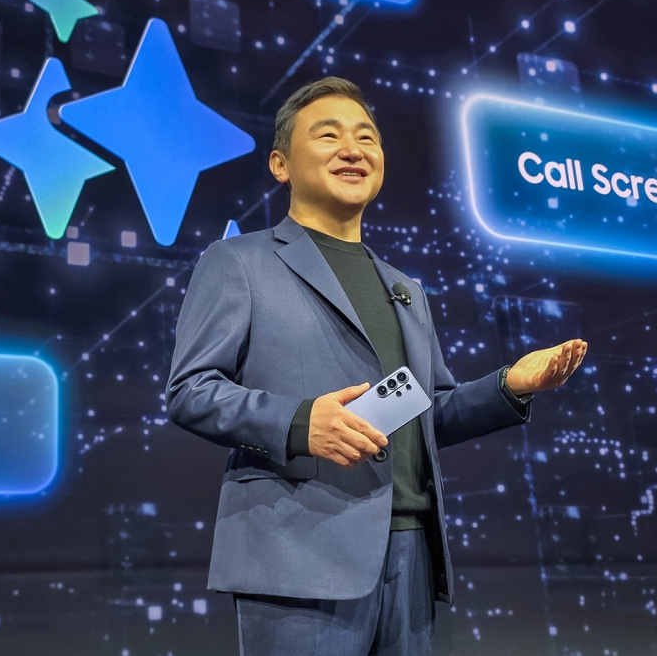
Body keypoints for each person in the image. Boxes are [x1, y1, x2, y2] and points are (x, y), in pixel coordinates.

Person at [166, 77, 587, 655]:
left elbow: (423, 414)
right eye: (329, 135)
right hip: (299, 552)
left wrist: (510, 386)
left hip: (411, 553)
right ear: (280, 164)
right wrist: (299, 424)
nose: (353, 148)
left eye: (367, 137)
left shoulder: (405, 288)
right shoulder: (239, 262)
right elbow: (191, 390)